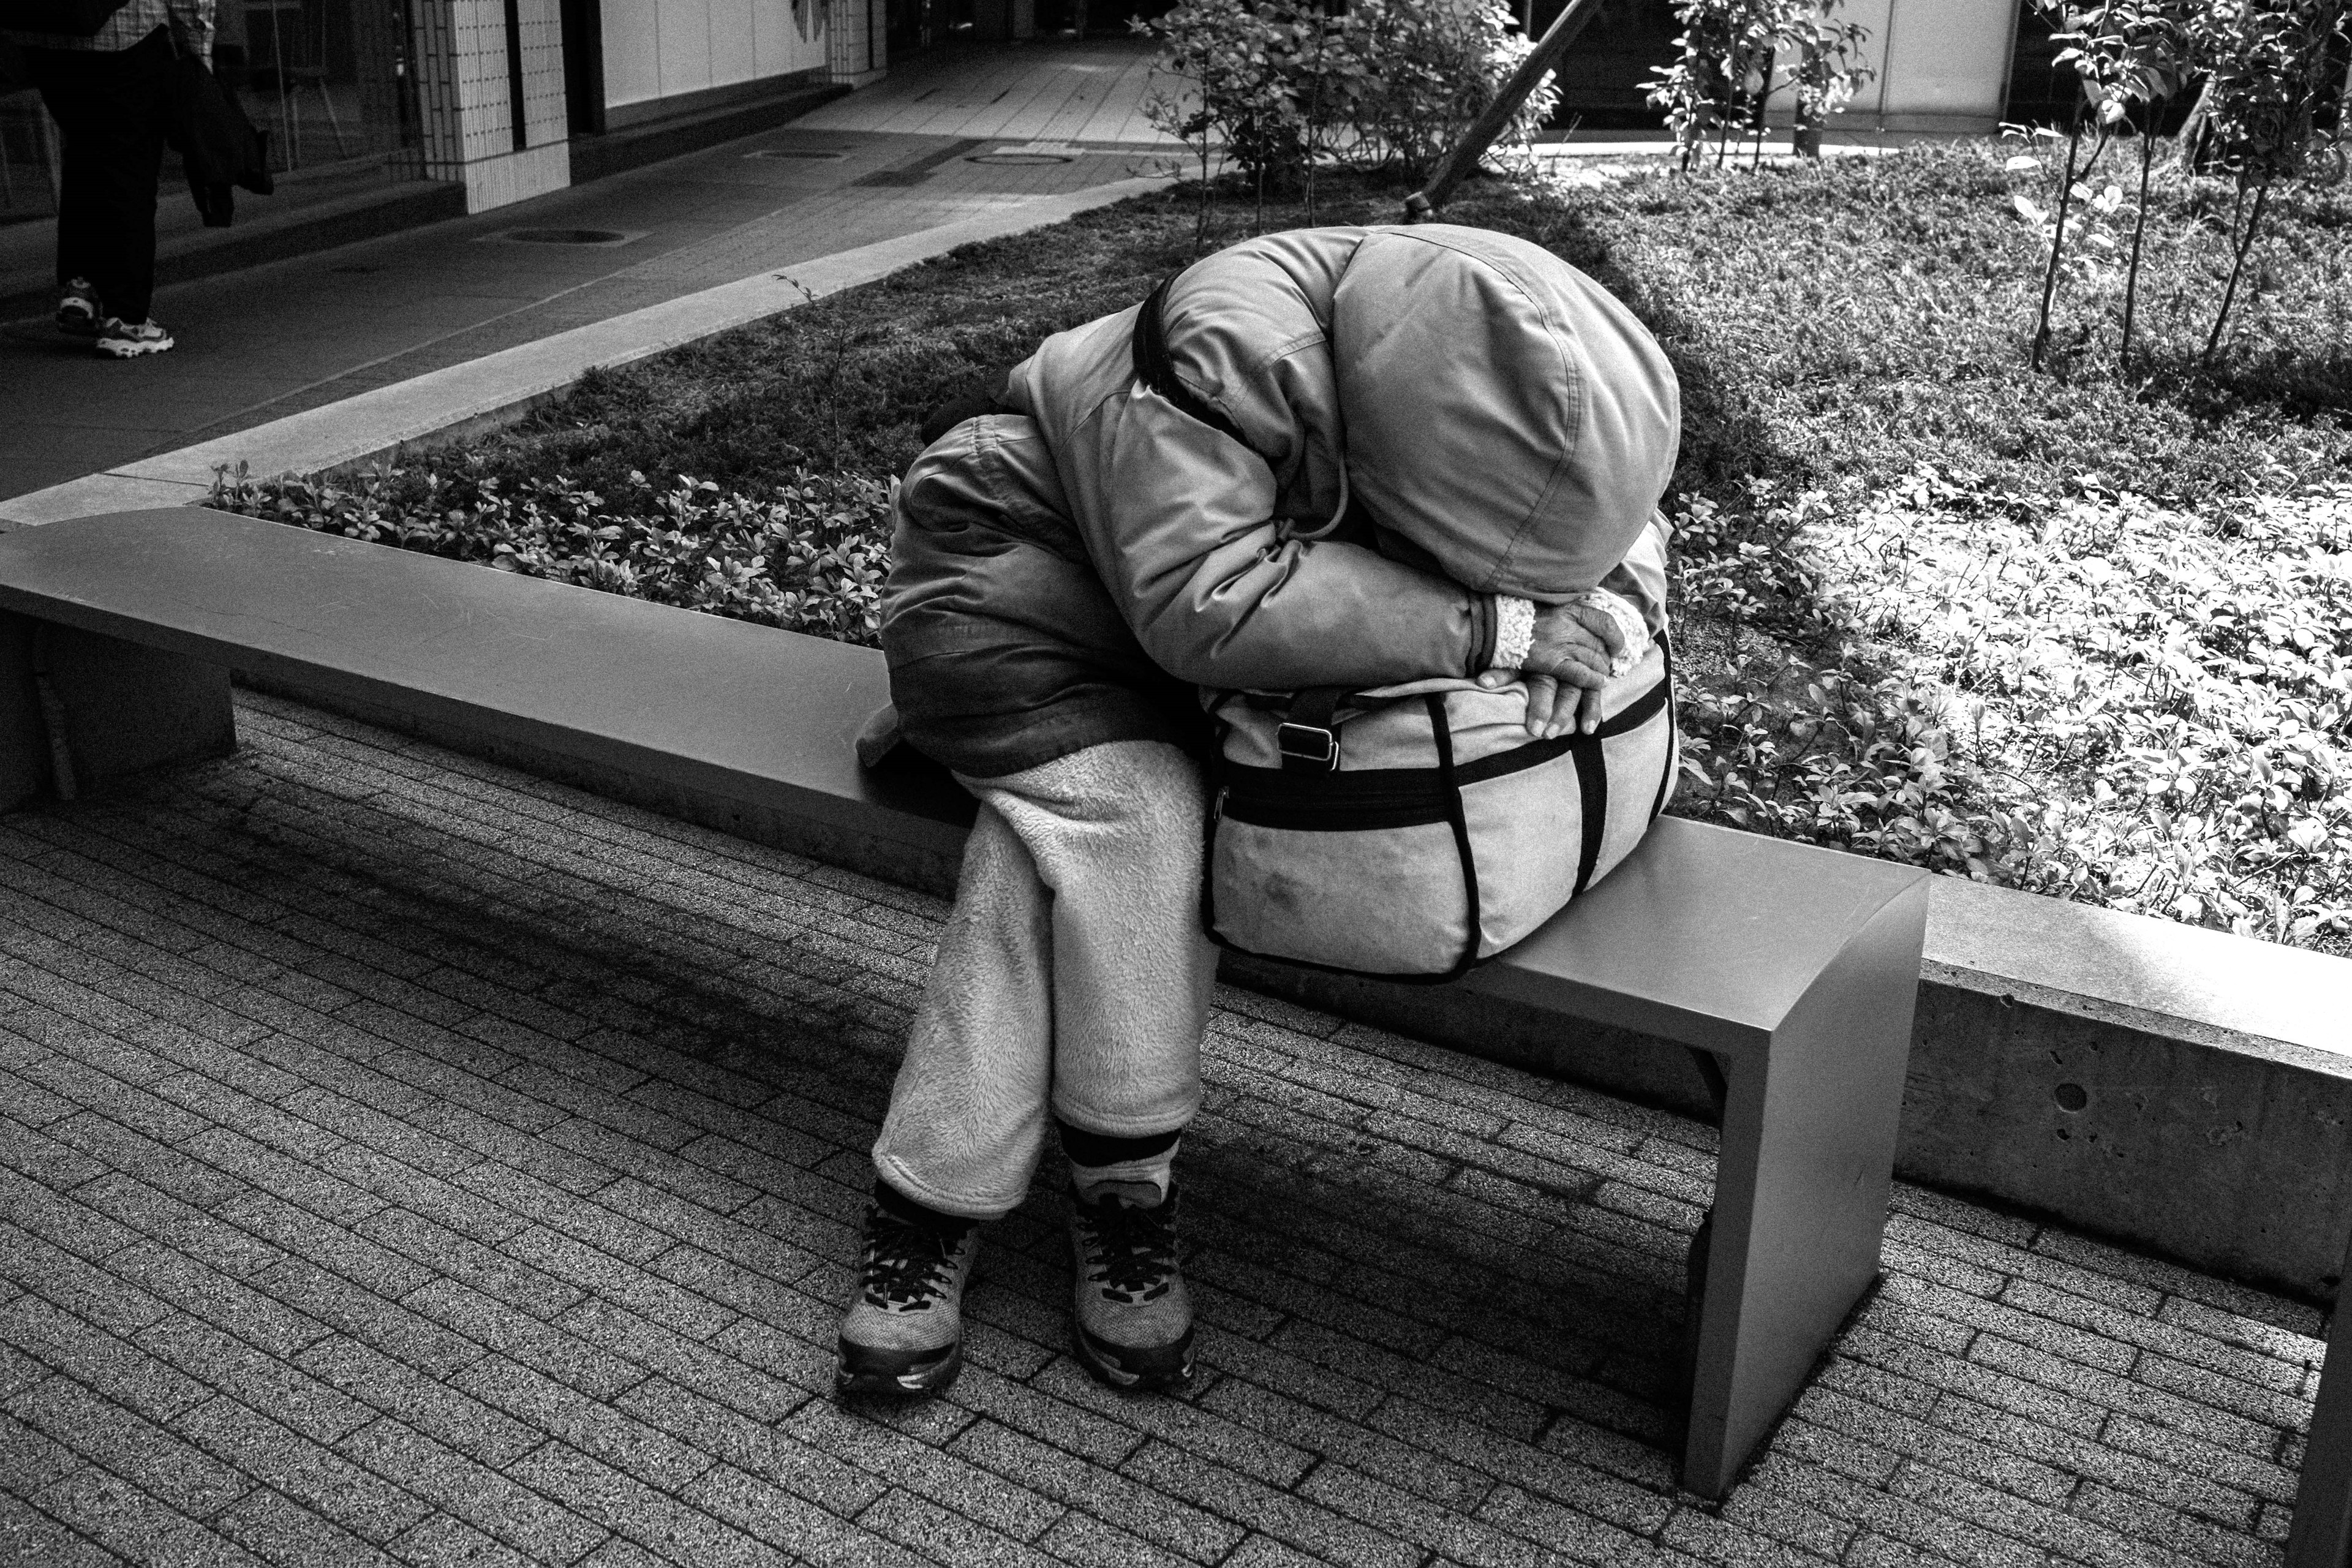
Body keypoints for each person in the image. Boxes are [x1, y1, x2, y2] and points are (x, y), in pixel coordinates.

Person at [836, 222, 1681, 1400]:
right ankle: (1117, 1186)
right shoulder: (1224, 347)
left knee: (1035, 855)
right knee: (1136, 830)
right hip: (1012, 591)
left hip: (1186, 651)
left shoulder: (1515, 334)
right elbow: (1211, 596)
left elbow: (1624, 518)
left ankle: (930, 1201)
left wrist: (1608, 621)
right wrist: (1501, 630)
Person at [4, 0, 214, 358]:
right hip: (126, 40)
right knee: (129, 174)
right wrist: (200, 52)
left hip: (45, 38)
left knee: (86, 153)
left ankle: (80, 286)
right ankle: (127, 322)